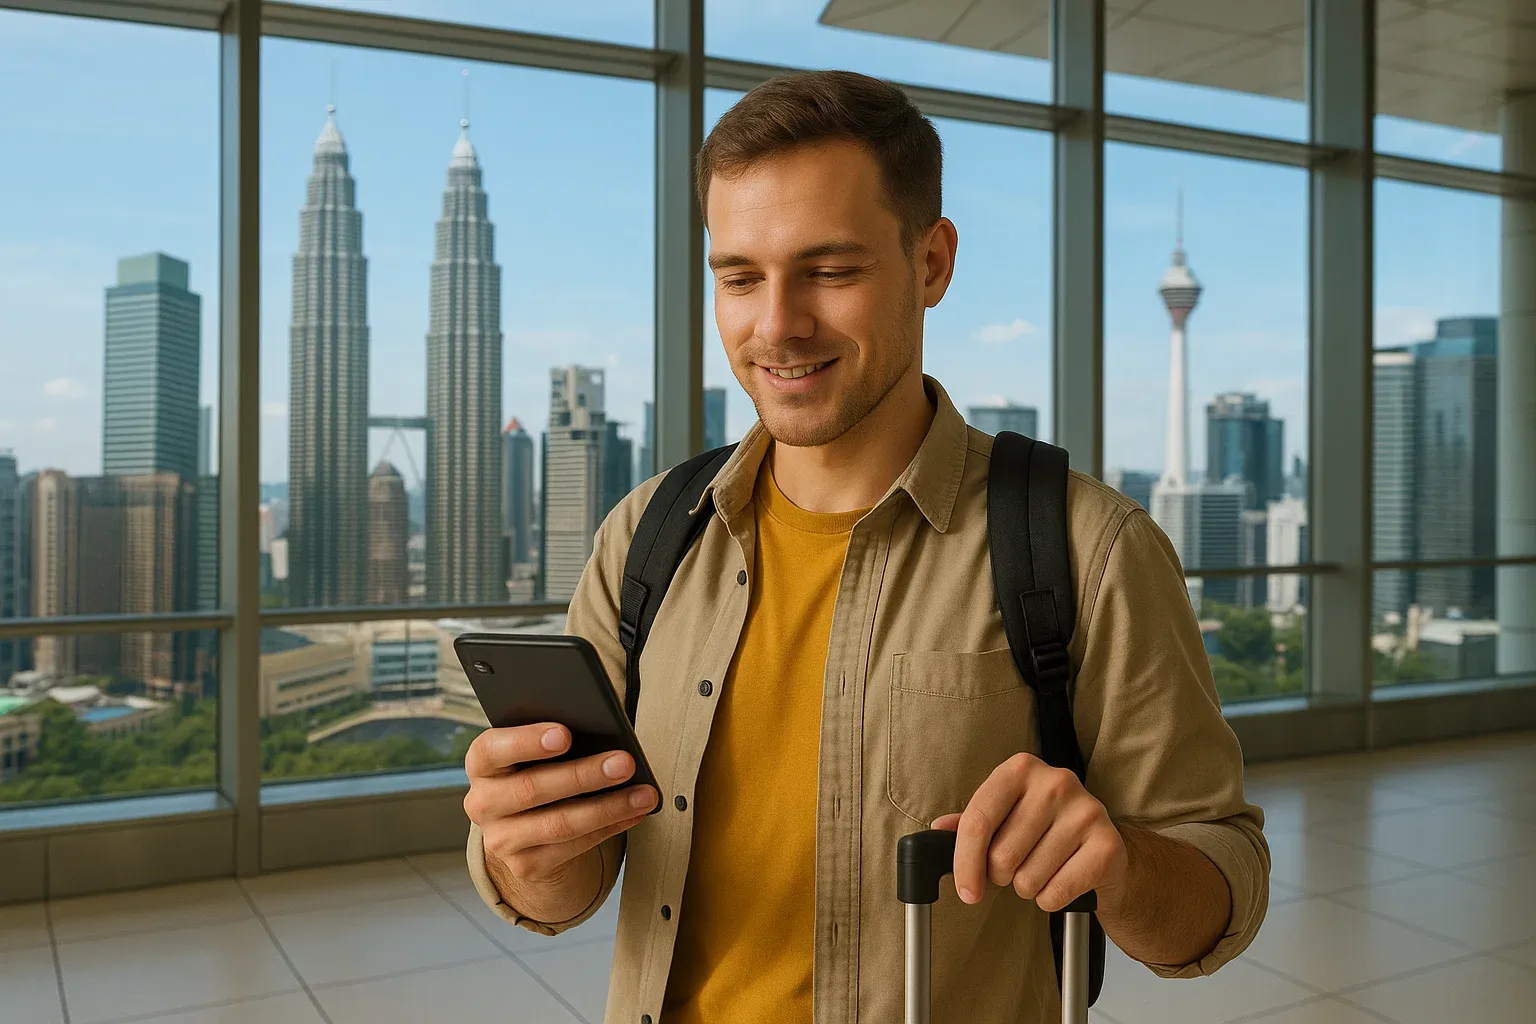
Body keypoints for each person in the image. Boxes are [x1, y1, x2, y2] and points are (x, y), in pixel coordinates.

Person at [463, 70, 1269, 1023]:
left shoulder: (1087, 549)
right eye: (739, 277)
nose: (777, 325)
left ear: (931, 264)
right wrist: (525, 849)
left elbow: (1219, 891)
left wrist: (1122, 867)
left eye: (831, 271)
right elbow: (568, 887)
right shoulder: (647, 536)